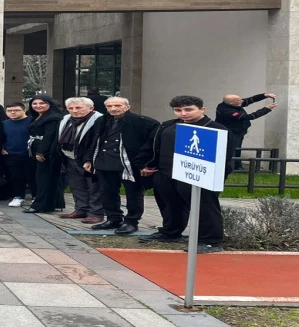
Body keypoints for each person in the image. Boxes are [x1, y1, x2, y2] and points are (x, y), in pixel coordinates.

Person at [138, 95, 236, 253]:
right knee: (170, 204)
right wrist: (148, 164)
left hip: (199, 175)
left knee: (204, 207)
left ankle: (210, 241)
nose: (183, 113)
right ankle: (170, 232)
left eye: (188, 109)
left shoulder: (216, 129)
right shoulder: (169, 125)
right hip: (166, 172)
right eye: (178, 110)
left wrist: (214, 177)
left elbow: (225, 157)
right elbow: (155, 146)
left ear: (202, 109)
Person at [82, 97, 160, 235]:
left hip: (129, 163)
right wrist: (88, 160)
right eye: (110, 106)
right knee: (107, 193)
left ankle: (131, 222)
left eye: (118, 105)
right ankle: (113, 218)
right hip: (103, 162)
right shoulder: (101, 121)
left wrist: (146, 164)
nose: (113, 108)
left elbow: (151, 145)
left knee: (133, 194)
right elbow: (93, 141)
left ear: (127, 107)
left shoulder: (144, 122)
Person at [56, 97, 104, 224]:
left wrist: (89, 159)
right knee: (77, 186)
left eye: (78, 108)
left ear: (91, 108)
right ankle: (81, 209)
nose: (74, 110)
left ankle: (96, 213)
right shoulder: (66, 119)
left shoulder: (99, 120)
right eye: (70, 108)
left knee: (94, 187)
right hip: (69, 157)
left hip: (89, 159)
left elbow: (97, 142)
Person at [22, 95, 67, 214]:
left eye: (42, 103)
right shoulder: (38, 116)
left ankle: (40, 205)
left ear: (49, 104)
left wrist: (42, 152)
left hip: (46, 151)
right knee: (48, 177)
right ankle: (55, 203)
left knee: (43, 178)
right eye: (34, 103)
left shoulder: (53, 117)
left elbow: (49, 136)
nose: (38, 106)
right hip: (36, 148)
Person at [215, 92, 276, 170]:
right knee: (233, 150)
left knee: (237, 148)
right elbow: (249, 117)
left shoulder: (234, 104)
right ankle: (233, 167)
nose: (241, 101)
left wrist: (264, 95)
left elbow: (250, 100)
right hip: (231, 133)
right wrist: (266, 109)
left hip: (239, 132)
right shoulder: (226, 110)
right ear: (231, 102)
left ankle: (237, 166)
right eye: (238, 100)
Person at [0, 102, 33, 207]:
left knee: (32, 176)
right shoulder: (5, 123)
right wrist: (2, 148)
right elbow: (1, 137)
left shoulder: (32, 121)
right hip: (11, 154)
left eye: (16, 110)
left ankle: (36, 197)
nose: (13, 112)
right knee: (16, 177)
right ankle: (18, 197)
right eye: (9, 111)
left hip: (29, 154)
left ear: (24, 111)